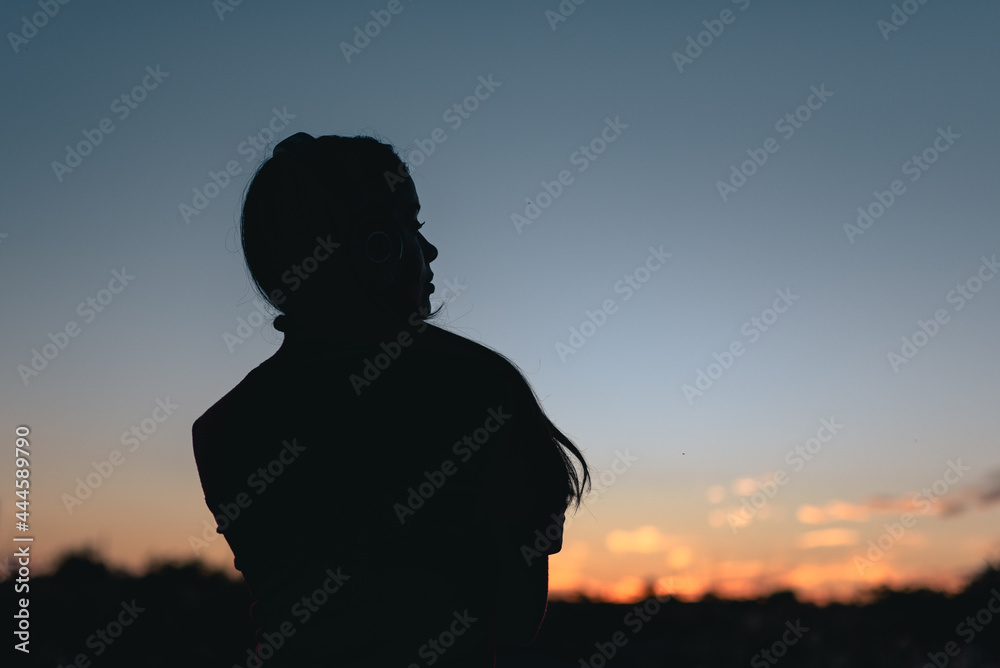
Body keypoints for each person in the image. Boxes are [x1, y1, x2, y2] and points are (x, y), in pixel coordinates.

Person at [192, 132, 591, 666]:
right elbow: (517, 620)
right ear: (376, 244)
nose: (427, 250)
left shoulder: (222, 429)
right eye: (411, 225)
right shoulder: (480, 387)